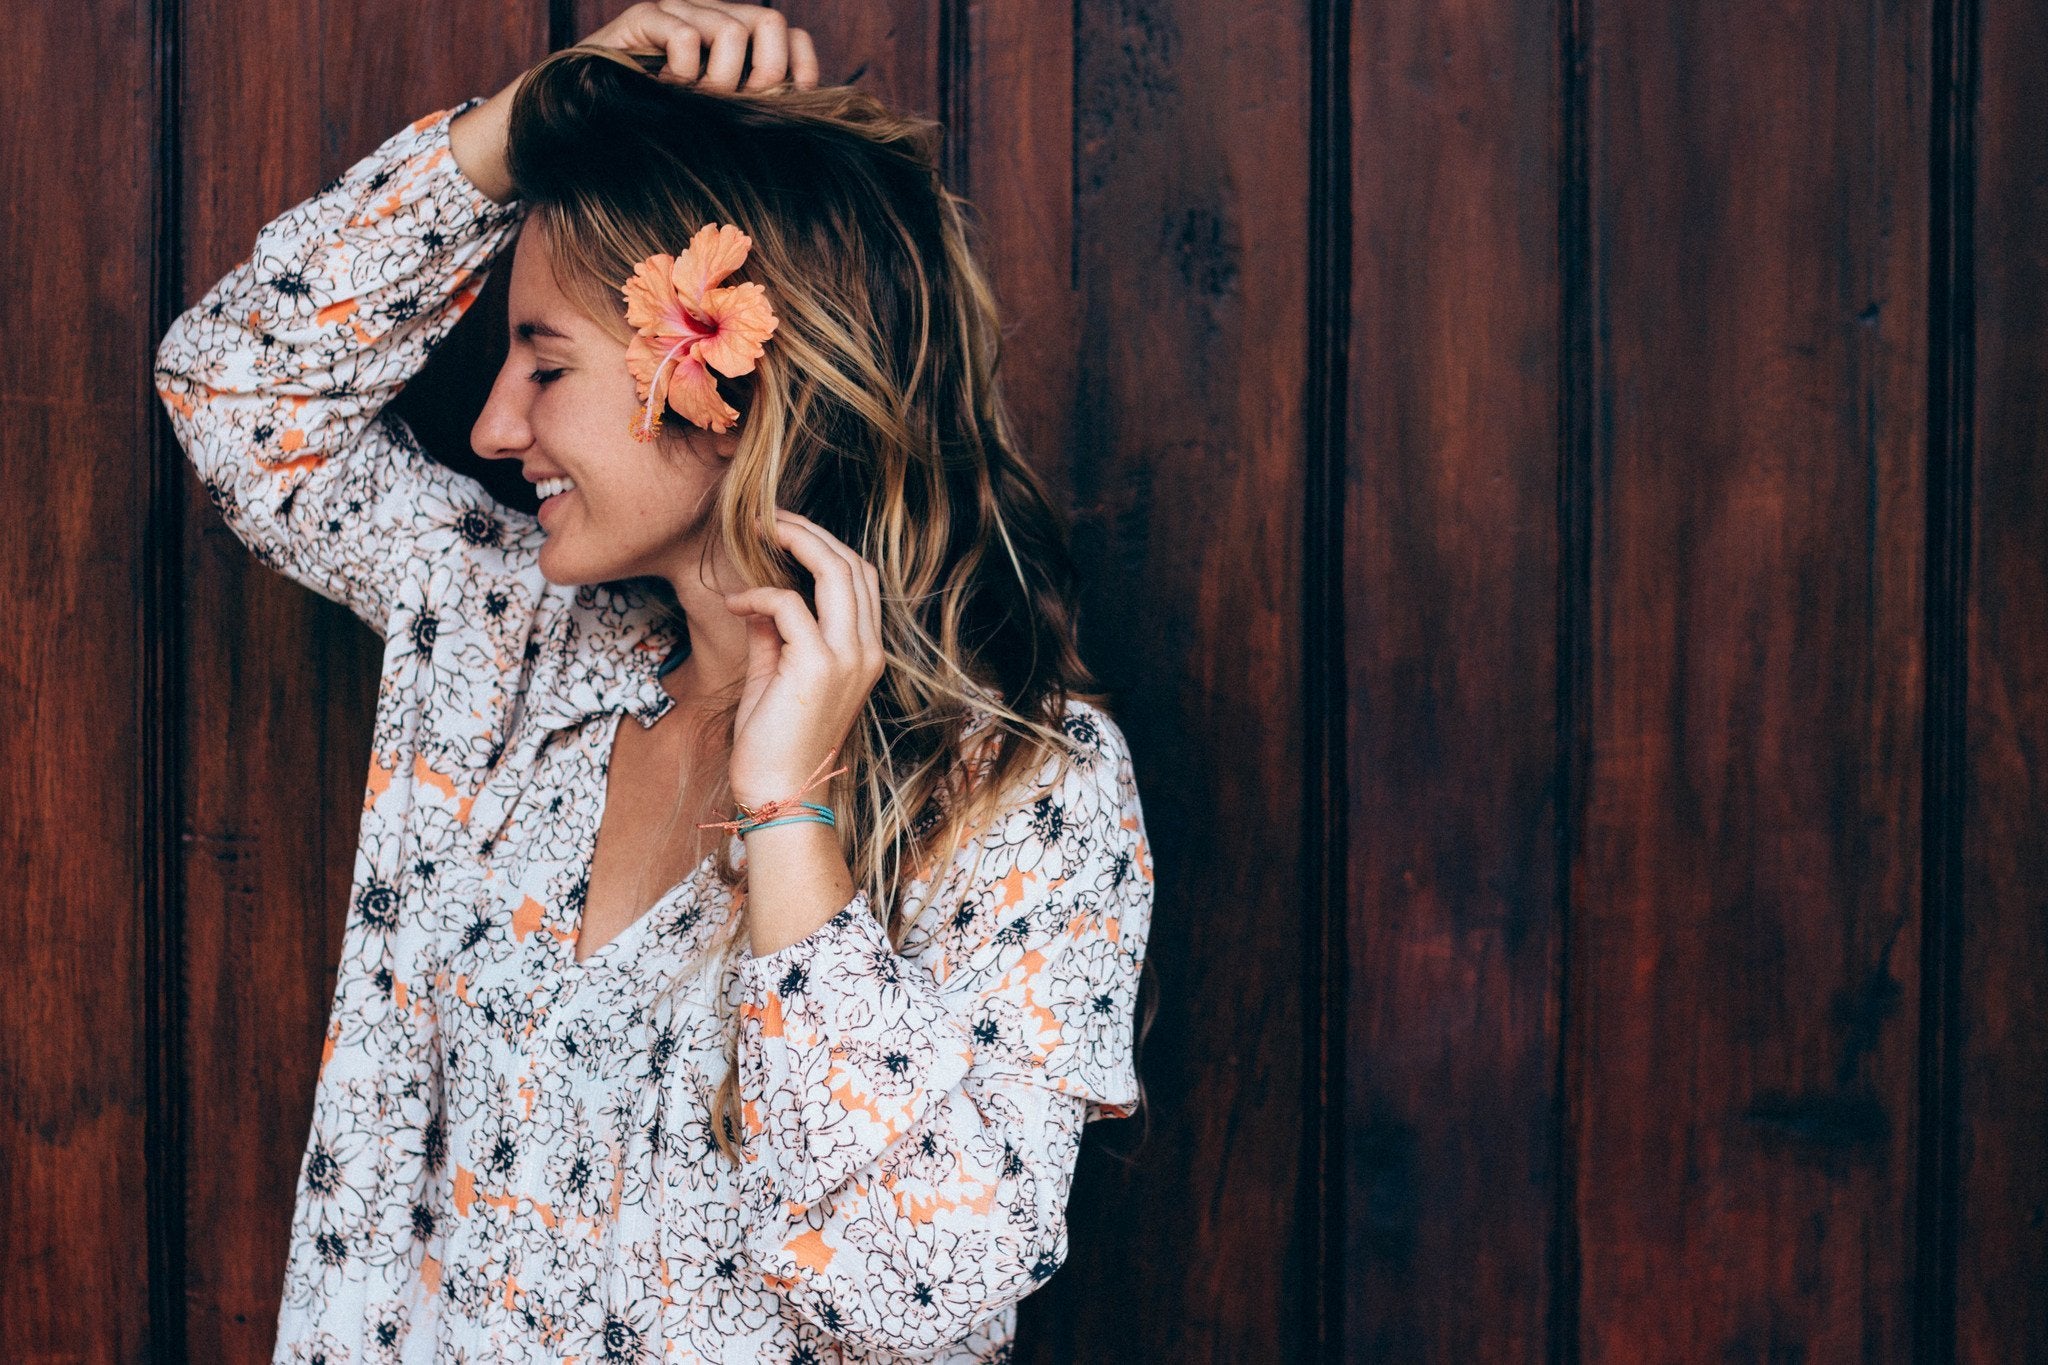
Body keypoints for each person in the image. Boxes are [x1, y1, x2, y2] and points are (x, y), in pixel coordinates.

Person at [151, 4, 1155, 1361]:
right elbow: (238, 393)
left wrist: (790, 817)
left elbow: (925, 1293)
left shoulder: (1023, 791)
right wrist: (528, 123)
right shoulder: (507, 638)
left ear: (724, 383)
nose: (494, 425)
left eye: (545, 363)